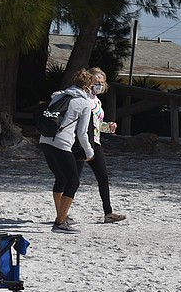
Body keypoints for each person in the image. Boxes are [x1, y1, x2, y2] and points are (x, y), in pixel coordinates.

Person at [39, 69, 95, 234]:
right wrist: (89, 151)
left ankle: (61, 215)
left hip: (45, 140)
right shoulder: (84, 103)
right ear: (88, 87)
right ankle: (60, 222)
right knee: (73, 181)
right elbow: (82, 133)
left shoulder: (58, 96)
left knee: (61, 178)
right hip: (61, 144)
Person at [75, 67, 126, 224]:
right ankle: (62, 214)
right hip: (79, 143)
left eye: (102, 83)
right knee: (73, 180)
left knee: (103, 177)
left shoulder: (97, 101)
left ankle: (108, 212)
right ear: (89, 81)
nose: (99, 85)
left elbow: (95, 124)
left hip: (95, 142)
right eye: (97, 82)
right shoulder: (82, 98)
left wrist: (107, 127)